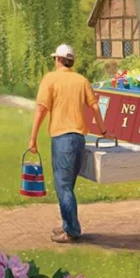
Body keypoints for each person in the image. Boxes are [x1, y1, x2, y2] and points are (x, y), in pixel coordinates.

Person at [29, 43, 105, 243]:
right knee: (67, 185)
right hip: (79, 139)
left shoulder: (50, 79)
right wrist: (103, 130)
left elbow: (41, 109)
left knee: (63, 186)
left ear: (58, 60)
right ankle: (67, 224)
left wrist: (33, 138)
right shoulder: (81, 80)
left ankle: (72, 230)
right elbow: (95, 107)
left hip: (62, 138)